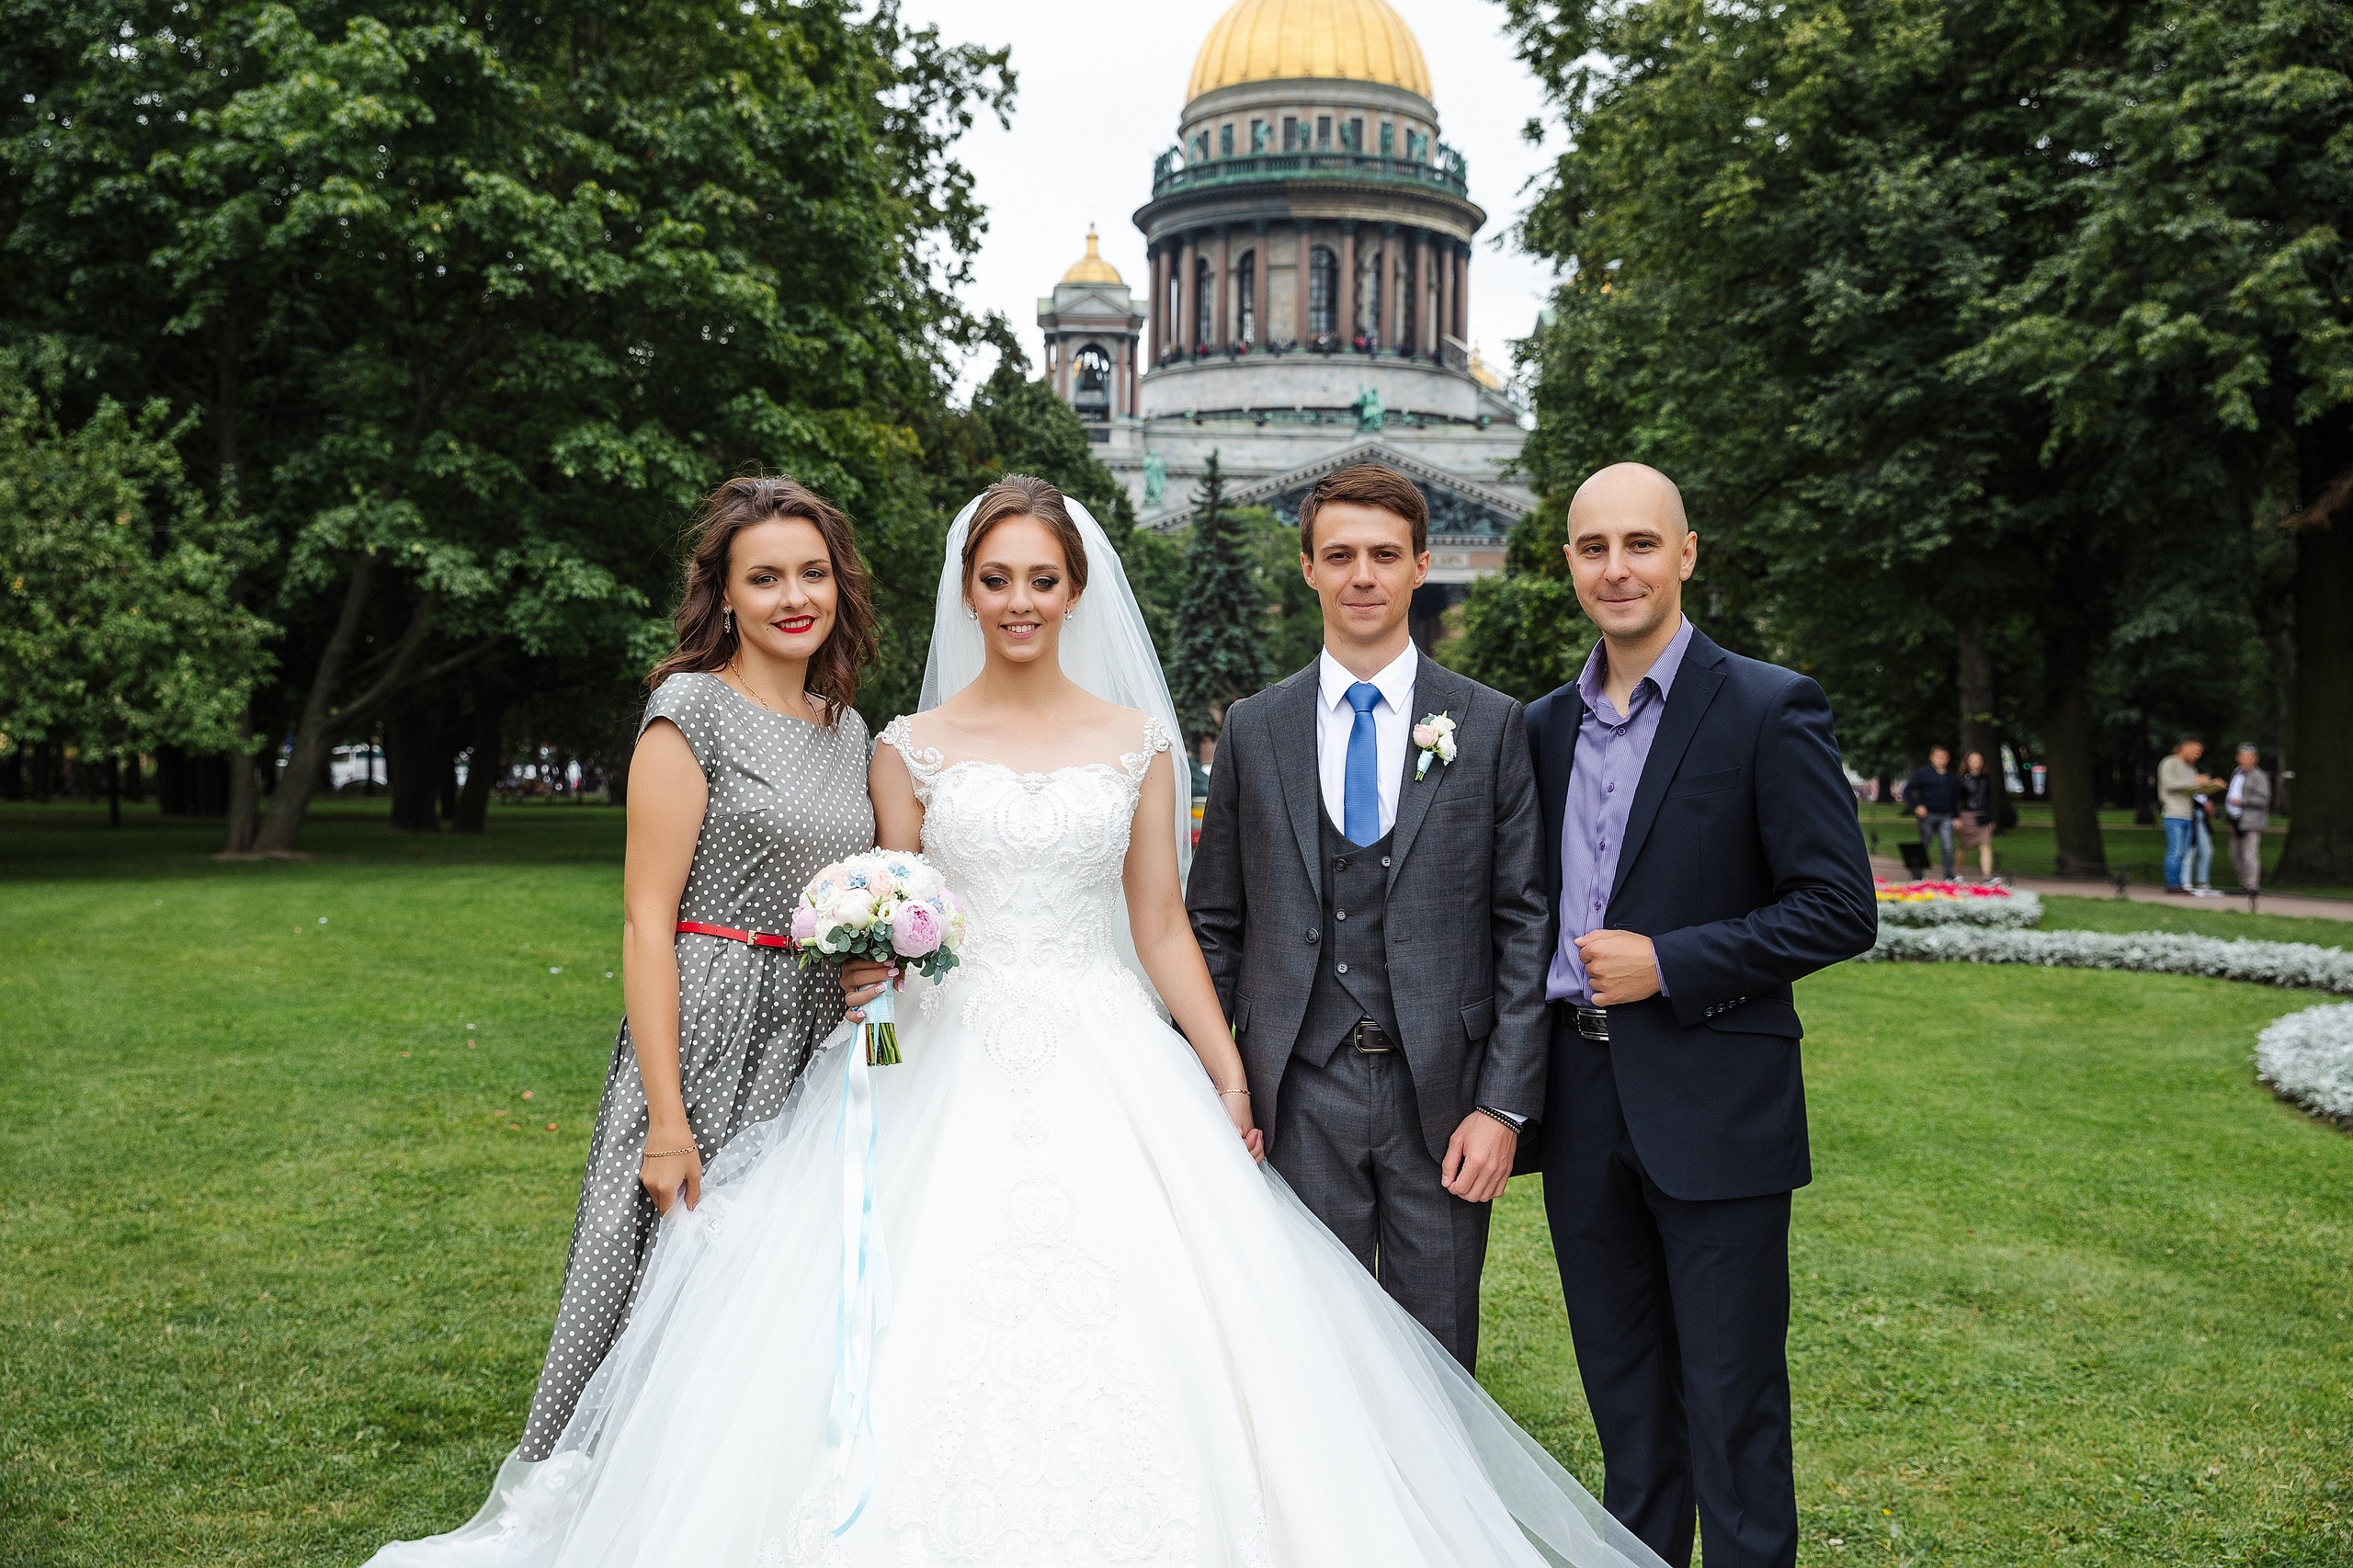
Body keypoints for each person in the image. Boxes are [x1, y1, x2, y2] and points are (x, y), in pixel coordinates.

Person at [364, 476, 1667, 1568]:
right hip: (942, 1050)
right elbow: (891, 899)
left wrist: (1220, 1069)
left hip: (1105, 1046)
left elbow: (1162, 925)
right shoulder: (905, 743)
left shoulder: (1136, 743)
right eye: (998, 578)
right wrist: (869, 967)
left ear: (1077, 590)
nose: (1022, 601)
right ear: (968, 590)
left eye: (1043, 578)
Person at [1524, 463, 1877, 1568]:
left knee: (1732, 1410)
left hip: (1716, 1105)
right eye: (1593, 547)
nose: (1616, 567)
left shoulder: (1771, 705)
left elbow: (1837, 907)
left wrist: (1669, 962)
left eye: (1640, 543)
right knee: (1626, 1412)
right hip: (1579, 1104)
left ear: (1686, 553)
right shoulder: (1541, 727)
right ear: (1569, 564)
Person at [513, 476, 879, 1466]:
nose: (793, 595)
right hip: (710, 1023)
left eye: (812, 572)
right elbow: (645, 918)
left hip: (819, 1034)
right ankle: (612, 1488)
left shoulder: (847, 731)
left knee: (774, 1295)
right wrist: (665, 1119)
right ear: (723, 593)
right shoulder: (690, 709)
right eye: (764, 577)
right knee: (673, 1269)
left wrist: (872, 963)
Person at [1186, 461, 1551, 1369]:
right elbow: (1215, 925)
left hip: (1448, 1101)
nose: (1362, 575)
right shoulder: (1252, 730)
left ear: (1421, 565)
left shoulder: (1490, 723)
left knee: (1438, 1355)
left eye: (1384, 554)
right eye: (1339, 553)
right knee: (1310, 1354)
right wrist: (1211, 1087)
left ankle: (1435, 1512)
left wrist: (1502, 1107)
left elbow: (1523, 924)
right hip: (1295, 1091)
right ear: (1306, 566)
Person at [2157, 736, 2225, 894]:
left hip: (2189, 814)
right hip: (2173, 813)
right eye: (2196, 751)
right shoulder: (2169, 762)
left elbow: (2194, 791)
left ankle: (2180, 883)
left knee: (2183, 852)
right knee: (2175, 851)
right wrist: (2194, 781)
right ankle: (2171, 884)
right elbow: (2169, 785)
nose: (2197, 755)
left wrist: (2211, 786)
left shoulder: (2191, 769)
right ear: (2185, 747)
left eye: (2200, 753)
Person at [1903, 745, 1957, 878]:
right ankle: (1917, 872)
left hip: (1945, 815)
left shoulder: (1951, 776)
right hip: (1928, 814)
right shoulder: (1923, 773)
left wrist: (1956, 816)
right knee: (1925, 844)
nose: (1941, 760)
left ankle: (1948, 874)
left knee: (1948, 845)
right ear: (1932, 757)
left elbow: (1955, 797)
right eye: (1938, 757)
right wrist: (1917, 806)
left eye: (1944, 757)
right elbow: (1908, 790)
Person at [2225, 743, 2272, 893]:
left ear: (2255, 759)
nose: (2245, 760)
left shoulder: (2259, 776)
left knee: (2248, 854)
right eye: (2242, 757)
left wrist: (2243, 801)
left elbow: (2264, 799)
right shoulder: (2236, 773)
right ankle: (2243, 883)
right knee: (2234, 854)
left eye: (2248, 757)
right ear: (2237, 758)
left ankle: (2251, 885)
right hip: (2236, 819)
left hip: (2251, 821)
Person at [1954, 751, 1997, 881]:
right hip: (1967, 816)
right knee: (1963, 847)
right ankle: (1958, 873)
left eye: (1979, 761)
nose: (1976, 764)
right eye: (1973, 761)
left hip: (1982, 817)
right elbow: (1957, 800)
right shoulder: (1961, 780)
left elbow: (1989, 800)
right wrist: (1957, 817)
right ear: (1967, 763)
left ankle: (1987, 876)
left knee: (1985, 846)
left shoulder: (1985, 779)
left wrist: (1991, 818)